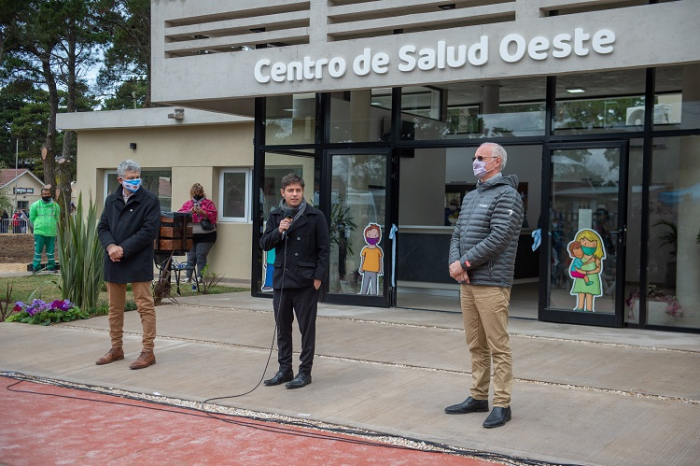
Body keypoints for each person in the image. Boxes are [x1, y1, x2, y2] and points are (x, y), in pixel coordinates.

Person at [445, 142, 524, 429]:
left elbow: (499, 238)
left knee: (498, 346)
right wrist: (458, 266)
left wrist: (464, 264)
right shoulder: (470, 197)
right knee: (476, 345)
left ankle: (502, 403)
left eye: (481, 157)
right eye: (474, 157)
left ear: (497, 163)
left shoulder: (508, 196)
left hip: (491, 282)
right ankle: (478, 397)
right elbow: (457, 233)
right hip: (468, 281)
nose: (475, 161)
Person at [260, 173, 330, 389]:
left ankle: (305, 372)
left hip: (306, 283)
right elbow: (264, 243)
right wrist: (279, 230)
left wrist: (318, 279)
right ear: (283, 193)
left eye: (298, 190)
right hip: (282, 282)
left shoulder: (315, 216)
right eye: (290, 190)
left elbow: (324, 250)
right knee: (282, 328)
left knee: (306, 329)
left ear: (302, 192)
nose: (294, 194)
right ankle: (285, 370)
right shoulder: (275, 216)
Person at [96, 159, 161, 370]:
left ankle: (147, 351)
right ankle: (116, 348)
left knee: (145, 307)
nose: (135, 181)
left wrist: (123, 249)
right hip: (113, 259)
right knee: (115, 308)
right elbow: (103, 227)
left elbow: (149, 231)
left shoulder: (150, 200)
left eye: (137, 177)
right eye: (130, 178)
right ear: (120, 179)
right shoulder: (111, 200)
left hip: (137, 260)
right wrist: (110, 247)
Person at [177, 183, 218, 283]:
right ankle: (188, 277)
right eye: (195, 193)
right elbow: (179, 215)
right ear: (192, 193)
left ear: (202, 192)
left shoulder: (209, 203)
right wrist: (190, 212)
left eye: (199, 193)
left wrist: (203, 212)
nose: (197, 195)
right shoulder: (188, 204)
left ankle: (200, 277)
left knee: (200, 256)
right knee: (191, 257)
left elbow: (214, 215)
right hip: (190, 235)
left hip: (206, 235)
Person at [569, 229, 605, 312]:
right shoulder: (580, 256)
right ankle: (580, 307)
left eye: (593, 244)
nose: (589, 246)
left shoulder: (596, 258)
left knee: (589, 294)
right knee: (581, 293)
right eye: (585, 243)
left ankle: (589, 309)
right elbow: (577, 266)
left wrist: (587, 272)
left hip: (592, 278)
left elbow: (598, 269)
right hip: (581, 278)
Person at [29, 185, 60, 272]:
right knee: (38, 251)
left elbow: (57, 217)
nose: (46, 195)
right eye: (45, 194)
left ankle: (51, 267)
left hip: (51, 232)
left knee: (51, 252)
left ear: (51, 194)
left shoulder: (55, 206)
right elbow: (32, 218)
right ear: (41, 195)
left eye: (48, 193)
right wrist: (38, 225)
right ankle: (36, 267)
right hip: (39, 232)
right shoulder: (35, 205)